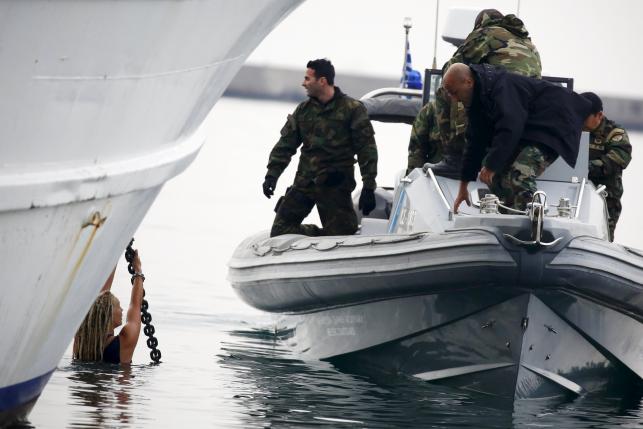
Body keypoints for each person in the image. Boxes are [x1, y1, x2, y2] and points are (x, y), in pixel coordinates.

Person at [444, 63, 593, 213]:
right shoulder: (478, 100)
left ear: (468, 82)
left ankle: (531, 222)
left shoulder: (501, 88)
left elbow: (510, 127)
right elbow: (475, 144)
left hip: (556, 123)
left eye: (454, 92)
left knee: (520, 175)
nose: (454, 99)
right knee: (495, 176)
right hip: (528, 128)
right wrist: (463, 187)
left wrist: (491, 166)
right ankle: (509, 214)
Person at [262, 58, 378, 237]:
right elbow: (286, 145)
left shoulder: (353, 109)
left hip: (335, 186)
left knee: (343, 235)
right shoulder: (304, 110)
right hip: (305, 184)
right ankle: (317, 235)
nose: (304, 83)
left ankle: (327, 235)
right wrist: (272, 174)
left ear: (322, 81)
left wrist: (369, 186)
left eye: (308, 79)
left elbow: (366, 149)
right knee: (279, 231)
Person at [433, 9, 542, 166]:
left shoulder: (486, 33)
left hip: (498, 102)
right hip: (528, 114)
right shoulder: (530, 45)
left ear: (480, 24)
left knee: (449, 89)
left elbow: (452, 70)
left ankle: (456, 159)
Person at [73, 250, 145, 364]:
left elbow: (100, 297)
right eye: (118, 306)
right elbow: (135, 305)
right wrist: (138, 270)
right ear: (108, 313)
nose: (122, 310)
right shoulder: (125, 340)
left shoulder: (81, 341)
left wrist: (115, 252)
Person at [581, 92, 632, 241]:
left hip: (605, 197)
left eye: (585, 117)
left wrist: (587, 167)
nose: (581, 121)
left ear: (599, 115)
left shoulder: (614, 132)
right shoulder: (572, 127)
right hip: (574, 190)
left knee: (604, 237)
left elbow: (619, 158)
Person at [406, 101, 442, 175]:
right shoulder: (431, 110)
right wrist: (416, 180)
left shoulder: (471, 110)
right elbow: (416, 151)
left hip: (470, 180)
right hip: (434, 179)